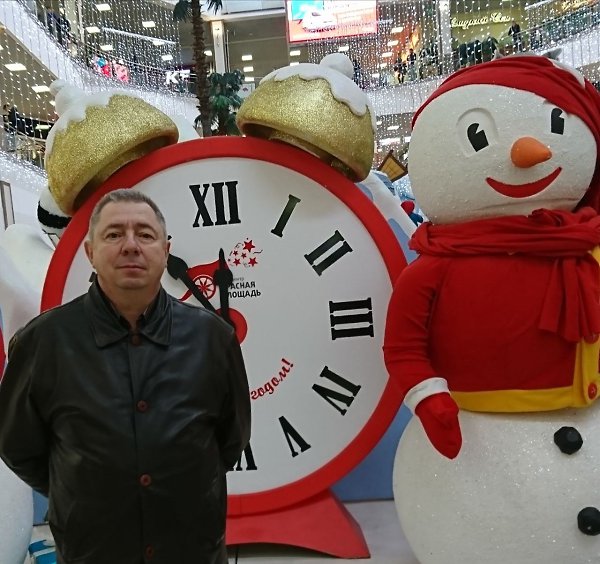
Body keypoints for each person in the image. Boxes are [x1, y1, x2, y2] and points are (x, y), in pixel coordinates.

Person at [0, 189, 251, 564]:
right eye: (114, 234)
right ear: (90, 252)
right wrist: (79, 489)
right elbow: (17, 445)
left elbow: (231, 439)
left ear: (165, 251)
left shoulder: (213, 338)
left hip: (191, 548)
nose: (131, 245)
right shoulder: (42, 343)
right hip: (93, 550)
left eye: (145, 234)